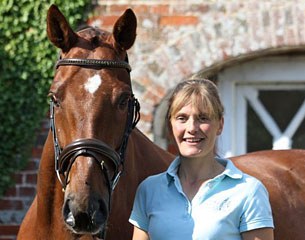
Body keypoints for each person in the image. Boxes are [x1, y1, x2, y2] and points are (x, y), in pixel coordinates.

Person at [129, 78, 274, 240]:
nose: (191, 128)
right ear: (171, 125)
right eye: (182, 118)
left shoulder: (249, 191)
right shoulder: (149, 190)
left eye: (203, 118)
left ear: (220, 125)